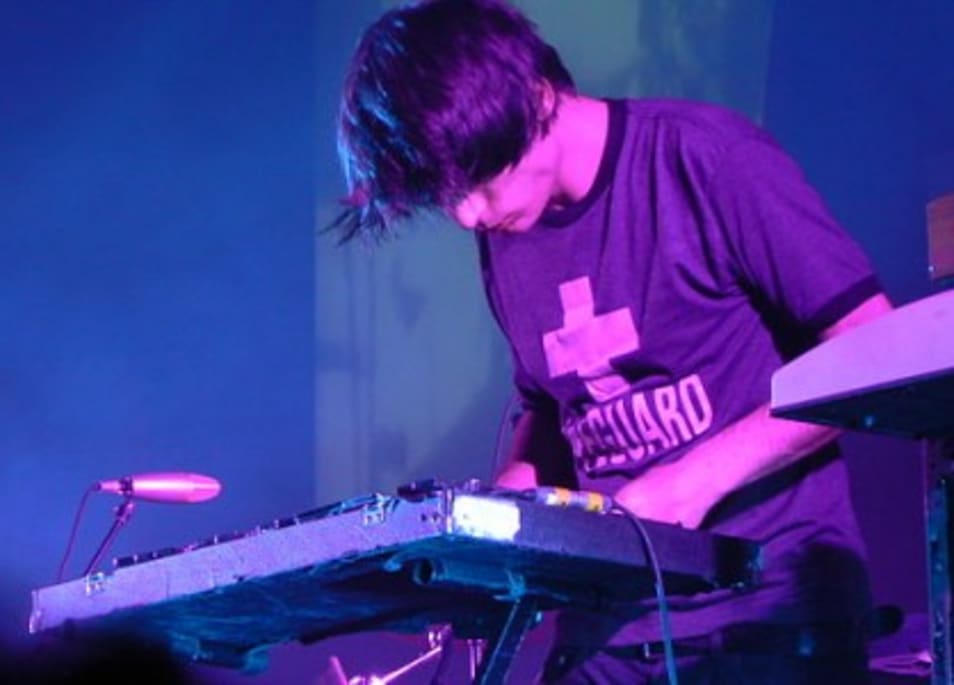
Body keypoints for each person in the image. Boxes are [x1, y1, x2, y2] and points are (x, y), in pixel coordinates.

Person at [328, 0, 894, 682]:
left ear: (535, 98)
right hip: (608, 630)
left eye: (477, 180)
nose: (469, 213)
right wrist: (511, 500)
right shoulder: (506, 233)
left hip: (768, 610)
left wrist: (690, 481)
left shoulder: (709, 159)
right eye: (447, 196)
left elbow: (873, 347)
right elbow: (551, 406)